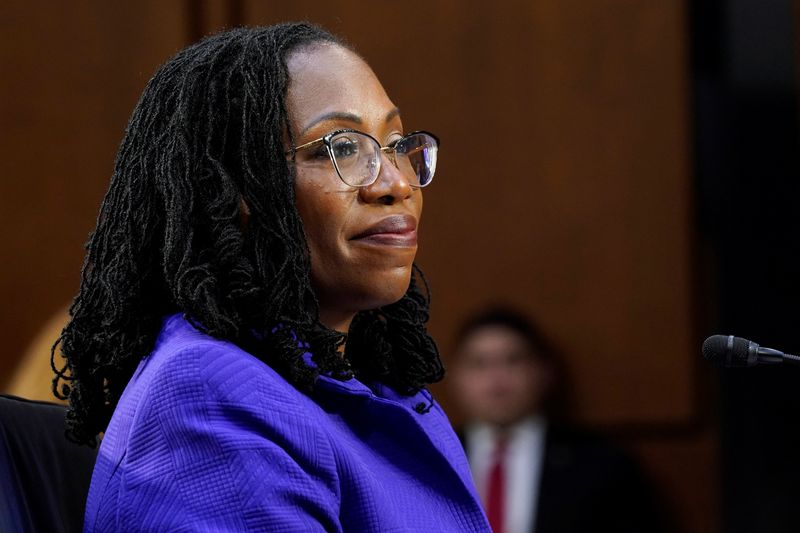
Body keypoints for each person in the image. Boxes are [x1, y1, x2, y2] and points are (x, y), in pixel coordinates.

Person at [54, 23, 490, 532]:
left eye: (396, 143)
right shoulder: (209, 400)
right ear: (233, 190)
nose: (396, 182)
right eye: (341, 147)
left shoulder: (382, 388)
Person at [449, 307, 669, 533]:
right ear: (455, 377)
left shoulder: (602, 464)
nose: (496, 382)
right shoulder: (429, 460)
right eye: (479, 364)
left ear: (543, 372)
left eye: (513, 361)